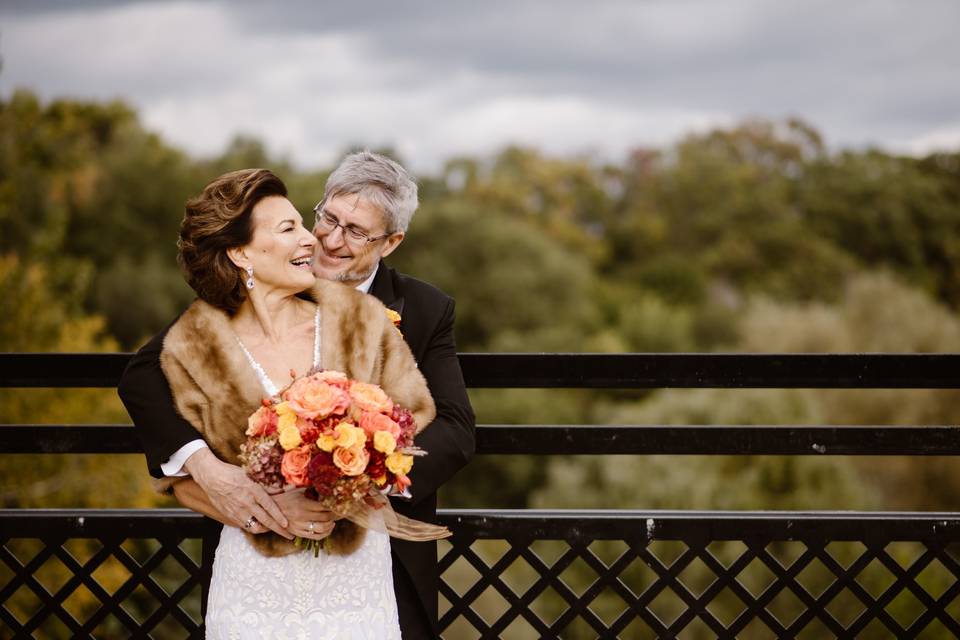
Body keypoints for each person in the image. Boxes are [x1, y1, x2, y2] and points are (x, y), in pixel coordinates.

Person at [118, 151, 476, 638]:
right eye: (327, 217)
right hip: (261, 558)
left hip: (375, 564)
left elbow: (455, 430)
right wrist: (205, 467)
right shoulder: (254, 290)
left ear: (391, 242)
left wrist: (360, 477)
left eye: (355, 231)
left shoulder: (426, 309)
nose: (330, 239)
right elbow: (145, 374)